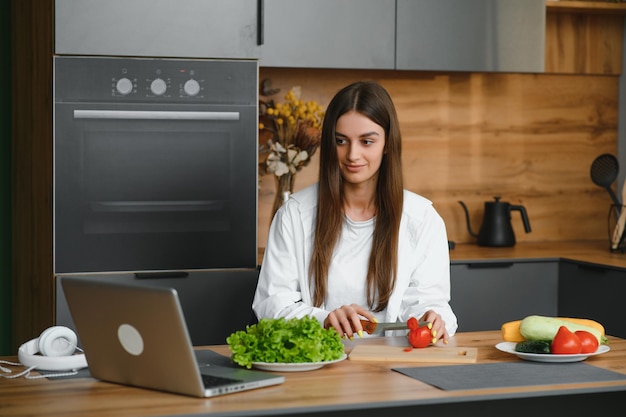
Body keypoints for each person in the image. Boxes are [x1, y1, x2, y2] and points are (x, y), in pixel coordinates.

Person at [252, 81, 457, 344]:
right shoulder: (294, 215)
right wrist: (324, 320)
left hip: (394, 368)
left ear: (386, 144)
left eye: (367, 141)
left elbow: (429, 303)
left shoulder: (423, 219)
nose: (352, 154)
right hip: (319, 365)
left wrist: (433, 316)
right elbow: (272, 306)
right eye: (341, 141)